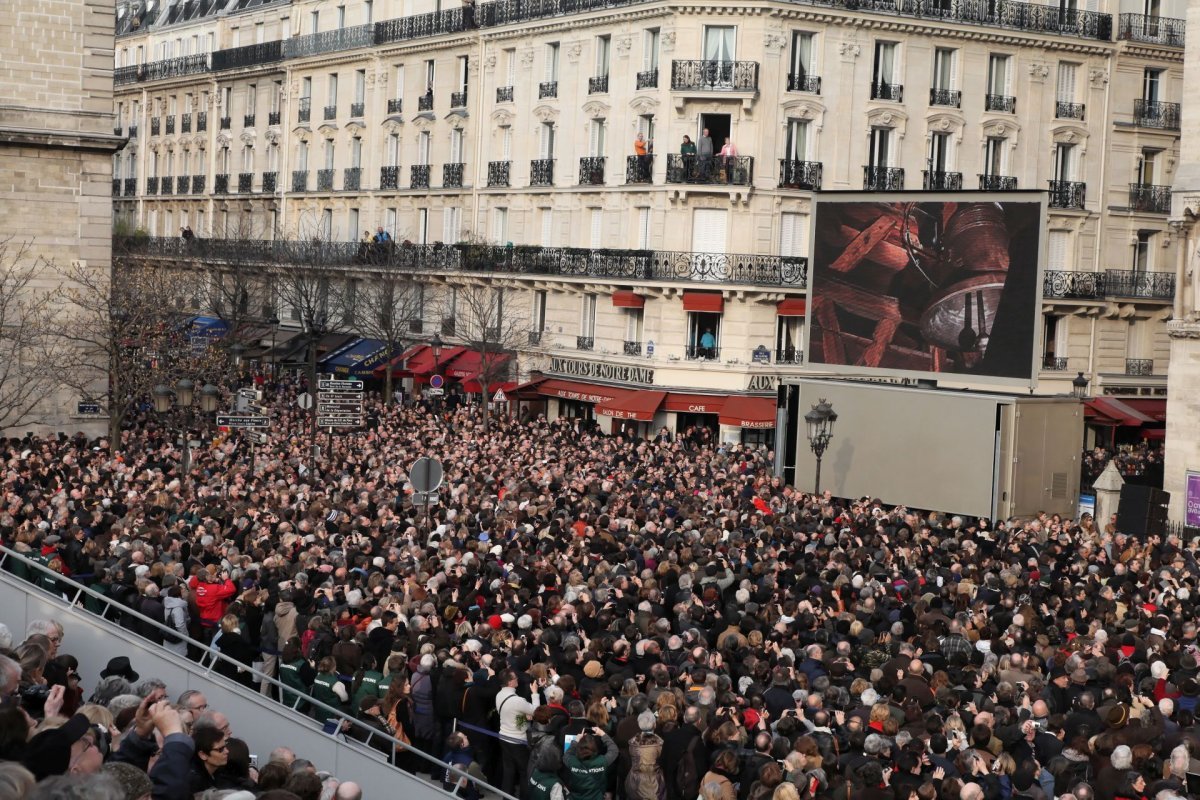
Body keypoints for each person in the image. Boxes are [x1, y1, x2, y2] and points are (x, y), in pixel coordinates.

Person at [564, 728, 618, 800]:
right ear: (595, 748)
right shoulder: (601, 761)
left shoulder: (572, 761)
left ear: (579, 748)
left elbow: (566, 755)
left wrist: (576, 740)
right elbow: (614, 750)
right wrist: (602, 734)